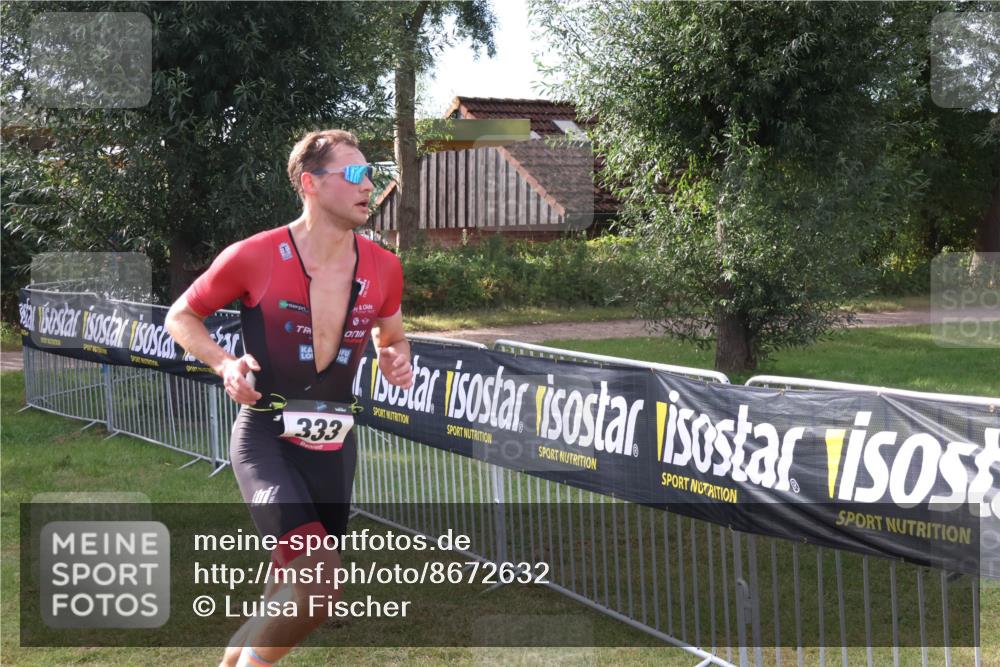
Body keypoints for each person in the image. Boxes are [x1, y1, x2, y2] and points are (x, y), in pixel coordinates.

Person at [165, 129, 413, 667]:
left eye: (370, 172)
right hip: (266, 440)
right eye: (353, 174)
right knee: (319, 586)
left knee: (289, 588)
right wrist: (225, 362)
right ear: (310, 184)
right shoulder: (255, 255)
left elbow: (391, 338)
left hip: (333, 446)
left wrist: (398, 358)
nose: (368, 183)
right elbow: (180, 315)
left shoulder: (384, 267)